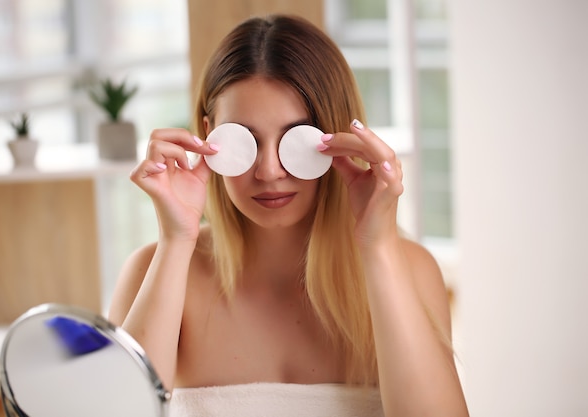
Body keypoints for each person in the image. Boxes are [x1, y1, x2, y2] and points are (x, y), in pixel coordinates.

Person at [109, 14, 469, 417]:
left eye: (296, 140)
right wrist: (176, 242)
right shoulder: (151, 271)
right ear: (208, 135)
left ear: (338, 139)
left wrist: (378, 246)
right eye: (243, 140)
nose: (268, 171)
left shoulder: (410, 270)